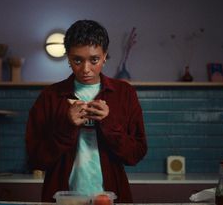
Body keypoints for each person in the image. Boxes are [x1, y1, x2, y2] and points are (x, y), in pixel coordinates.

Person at [25, 19, 147, 203]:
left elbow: (136, 154)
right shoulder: (50, 96)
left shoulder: (124, 93)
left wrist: (109, 122)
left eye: (94, 60)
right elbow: (35, 160)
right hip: (62, 199)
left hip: (111, 198)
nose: (86, 69)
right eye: (77, 60)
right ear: (68, 58)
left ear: (105, 56)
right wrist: (66, 126)